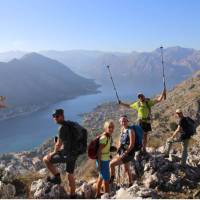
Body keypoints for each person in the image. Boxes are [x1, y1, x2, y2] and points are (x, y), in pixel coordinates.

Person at [43, 109, 77, 198]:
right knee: (70, 174)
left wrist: (53, 153)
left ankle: (57, 178)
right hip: (74, 153)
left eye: (57, 116)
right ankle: (73, 195)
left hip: (68, 154)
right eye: (54, 116)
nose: (55, 118)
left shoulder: (61, 128)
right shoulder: (70, 124)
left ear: (62, 116)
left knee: (46, 159)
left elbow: (58, 144)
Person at [110, 115, 135, 187]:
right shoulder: (122, 129)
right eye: (122, 121)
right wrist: (118, 150)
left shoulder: (130, 131)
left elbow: (132, 145)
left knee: (111, 164)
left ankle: (111, 180)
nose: (123, 122)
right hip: (122, 152)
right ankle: (131, 183)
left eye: (125, 121)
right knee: (126, 169)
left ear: (127, 121)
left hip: (128, 154)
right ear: (120, 122)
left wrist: (125, 153)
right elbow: (120, 142)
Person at [96, 120, 114, 198]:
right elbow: (99, 152)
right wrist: (99, 164)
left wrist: (109, 155)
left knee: (101, 177)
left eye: (112, 127)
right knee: (106, 180)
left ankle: (97, 194)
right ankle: (107, 196)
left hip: (105, 159)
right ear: (105, 128)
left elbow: (105, 149)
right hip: (102, 161)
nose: (111, 129)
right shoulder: (104, 138)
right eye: (109, 127)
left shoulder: (109, 136)